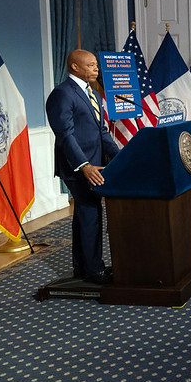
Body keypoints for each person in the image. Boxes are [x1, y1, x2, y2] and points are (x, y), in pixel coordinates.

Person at [46, 49, 120, 285]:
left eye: (96, 65)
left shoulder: (94, 95)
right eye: (90, 65)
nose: (96, 69)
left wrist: (120, 157)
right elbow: (65, 135)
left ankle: (84, 266)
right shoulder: (62, 94)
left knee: (85, 214)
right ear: (74, 67)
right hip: (78, 167)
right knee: (90, 214)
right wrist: (84, 165)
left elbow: (103, 133)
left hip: (96, 165)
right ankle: (93, 270)